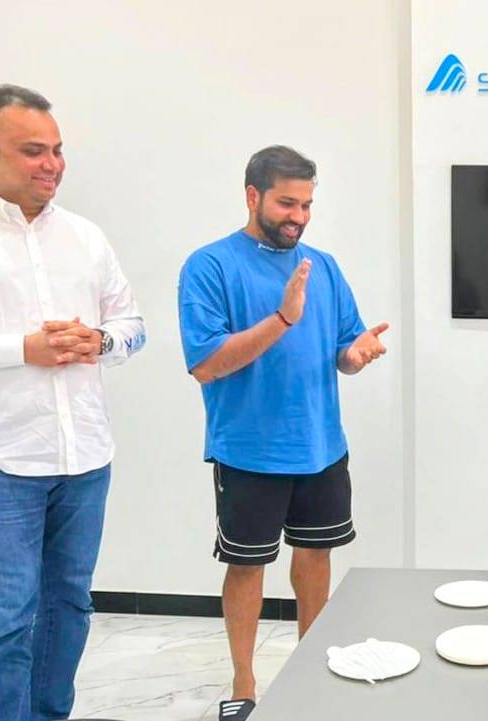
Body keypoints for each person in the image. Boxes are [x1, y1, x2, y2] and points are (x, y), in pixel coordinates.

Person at [0, 84, 146, 721]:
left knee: (70, 608)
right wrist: (21, 348)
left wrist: (98, 339)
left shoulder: (85, 236)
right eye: (33, 150)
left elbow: (134, 326)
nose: (52, 164)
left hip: (86, 455)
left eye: (58, 150)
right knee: (7, 622)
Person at [177, 145, 387, 720]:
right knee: (247, 565)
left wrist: (357, 353)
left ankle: (309, 670)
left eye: (307, 204)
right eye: (287, 203)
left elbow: (342, 350)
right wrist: (283, 318)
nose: (299, 215)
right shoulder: (210, 266)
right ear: (253, 197)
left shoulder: (324, 266)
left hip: (321, 445)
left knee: (315, 557)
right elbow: (206, 363)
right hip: (247, 451)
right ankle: (244, 683)